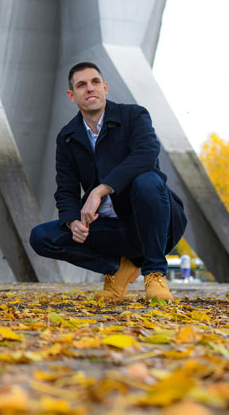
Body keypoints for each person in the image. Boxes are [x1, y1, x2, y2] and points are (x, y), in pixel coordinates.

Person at [30, 62, 187, 302]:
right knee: (41, 237)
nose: (89, 88)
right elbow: (66, 189)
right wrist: (72, 221)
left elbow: (146, 155)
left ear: (104, 87)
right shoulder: (67, 137)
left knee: (147, 181)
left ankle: (154, 273)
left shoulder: (134, 116)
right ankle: (117, 268)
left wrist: (100, 191)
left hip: (154, 221)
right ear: (71, 95)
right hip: (109, 229)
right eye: (81, 85)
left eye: (95, 82)